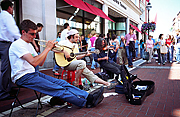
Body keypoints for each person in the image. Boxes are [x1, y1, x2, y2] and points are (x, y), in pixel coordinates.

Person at [9, 19, 104, 108]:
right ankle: (85, 103)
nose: (34, 37)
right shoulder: (18, 44)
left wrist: (49, 49)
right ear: (23, 32)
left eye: (35, 34)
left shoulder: (28, 45)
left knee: (62, 83)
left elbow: (40, 63)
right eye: (32, 34)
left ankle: (88, 96)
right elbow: (34, 62)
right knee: (57, 88)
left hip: (33, 74)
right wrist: (47, 48)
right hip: (22, 77)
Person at [0, 0, 21, 100]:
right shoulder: (7, 16)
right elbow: (13, 30)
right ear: (9, 7)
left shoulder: (1, 16)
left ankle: (8, 87)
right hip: (5, 44)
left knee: (7, 67)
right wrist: (22, 39)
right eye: (12, 8)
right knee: (6, 67)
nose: (12, 10)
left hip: (3, 44)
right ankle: (3, 92)